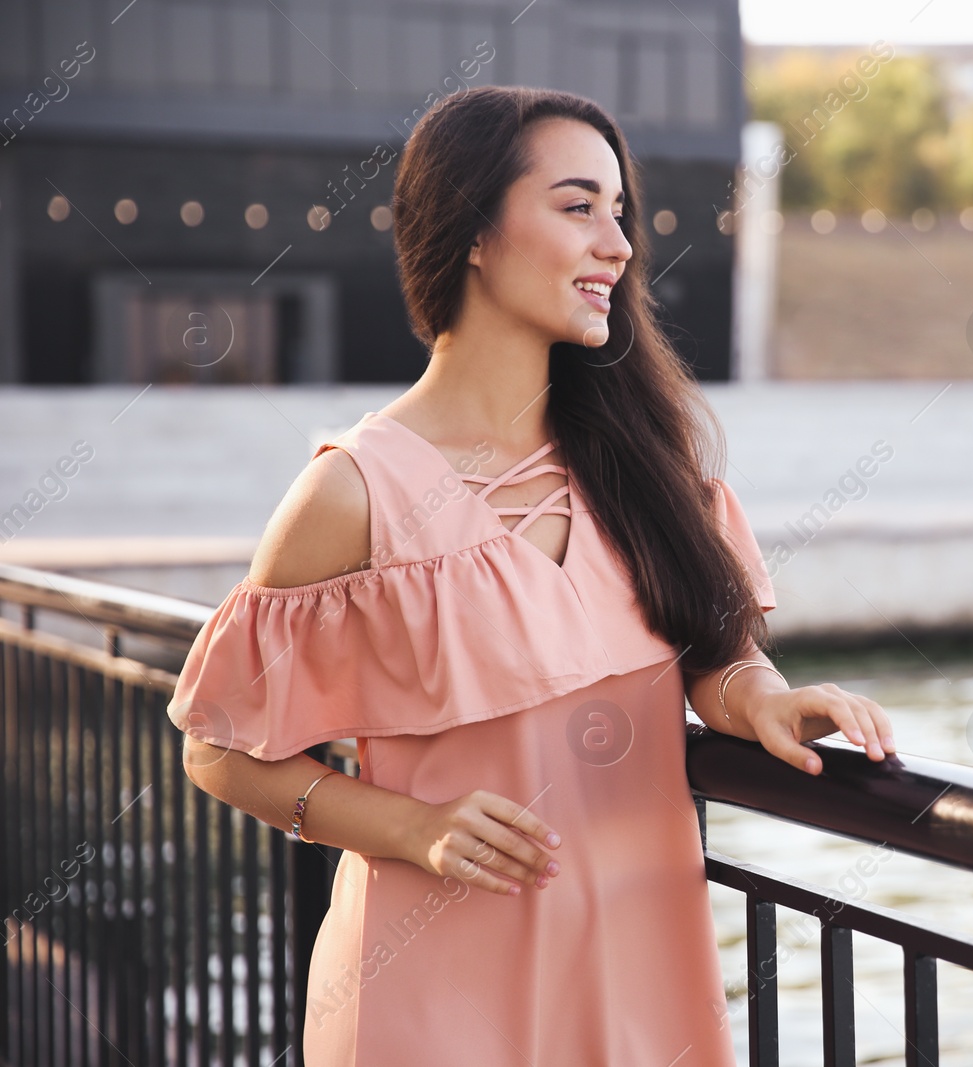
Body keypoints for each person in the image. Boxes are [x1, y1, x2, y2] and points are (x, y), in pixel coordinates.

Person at [167, 85, 898, 1065]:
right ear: (472, 229)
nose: (618, 244)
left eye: (620, 211)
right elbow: (218, 748)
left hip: (643, 981)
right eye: (577, 206)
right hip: (425, 991)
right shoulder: (355, 491)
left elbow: (713, 663)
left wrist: (764, 697)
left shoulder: (647, 468)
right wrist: (410, 824)